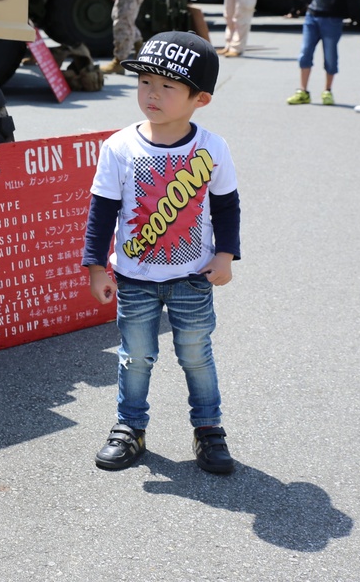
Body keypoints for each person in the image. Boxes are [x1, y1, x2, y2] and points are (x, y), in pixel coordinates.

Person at [82, 31, 241, 474]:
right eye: (145, 82)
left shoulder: (211, 147)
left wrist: (226, 255)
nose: (152, 93)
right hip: (133, 279)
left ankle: (209, 429)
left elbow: (227, 205)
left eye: (167, 86)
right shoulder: (119, 147)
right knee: (135, 357)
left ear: (200, 99)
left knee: (195, 354)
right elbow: (102, 210)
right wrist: (96, 267)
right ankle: (129, 428)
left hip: (192, 277)